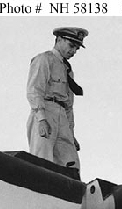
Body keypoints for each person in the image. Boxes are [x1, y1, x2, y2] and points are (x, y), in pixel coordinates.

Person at [26, 27, 88, 173]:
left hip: (62, 118)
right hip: (45, 111)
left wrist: (71, 134)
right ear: (59, 40)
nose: (73, 51)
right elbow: (34, 90)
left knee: (71, 164)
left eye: (76, 48)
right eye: (71, 46)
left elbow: (69, 105)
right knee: (42, 160)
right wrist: (41, 119)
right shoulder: (44, 60)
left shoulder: (68, 70)